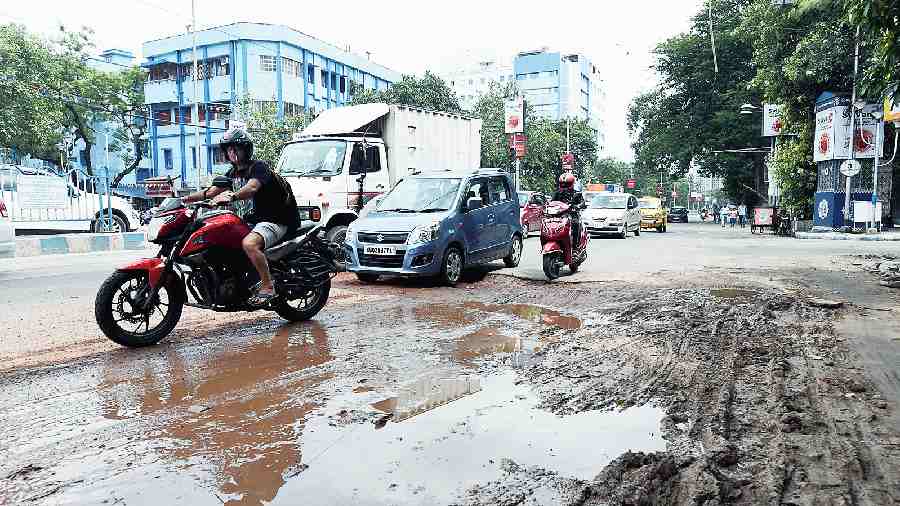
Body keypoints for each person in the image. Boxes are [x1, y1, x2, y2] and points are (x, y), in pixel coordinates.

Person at [182, 126, 300, 306]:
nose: (232, 152)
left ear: (246, 149)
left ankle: (268, 286)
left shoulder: (259, 167)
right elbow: (211, 192)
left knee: (249, 244)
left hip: (275, 219)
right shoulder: (232, 173)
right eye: (229, 149)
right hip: (253, 221)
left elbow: (252, 187)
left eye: (236, 147)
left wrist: (232, 196)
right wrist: (183, 199)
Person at [552, 172, 585, 247]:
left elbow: (582, 203)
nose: (564, 186)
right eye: (563, 184)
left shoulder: (577, 194)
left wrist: (577, 206)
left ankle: (575, 245)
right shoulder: (557, 193)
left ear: (572, 183)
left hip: (572, 215)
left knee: (576, 223)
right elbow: (551, 203)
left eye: (567, 184)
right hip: (559, 215)